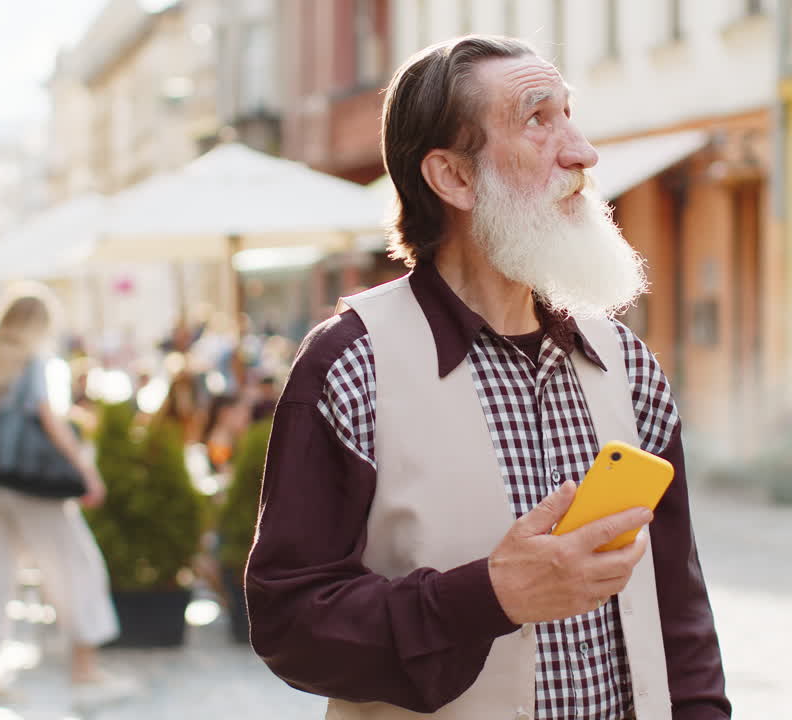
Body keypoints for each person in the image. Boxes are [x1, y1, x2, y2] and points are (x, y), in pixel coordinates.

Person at [246, 37, 729, 720]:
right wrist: (490, 597)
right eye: (538, 120)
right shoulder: (351, 366)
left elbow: (678, 608)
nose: (583, 153)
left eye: (569, 115)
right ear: (453, 177)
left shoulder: (626, 362)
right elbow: (289, 623)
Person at [0, 283, 129, 701]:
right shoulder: (35, 363)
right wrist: (86, 471)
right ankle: (84, 668)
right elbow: (48, 420)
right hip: (36, 487)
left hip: (0, 484)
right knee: (78, 565)